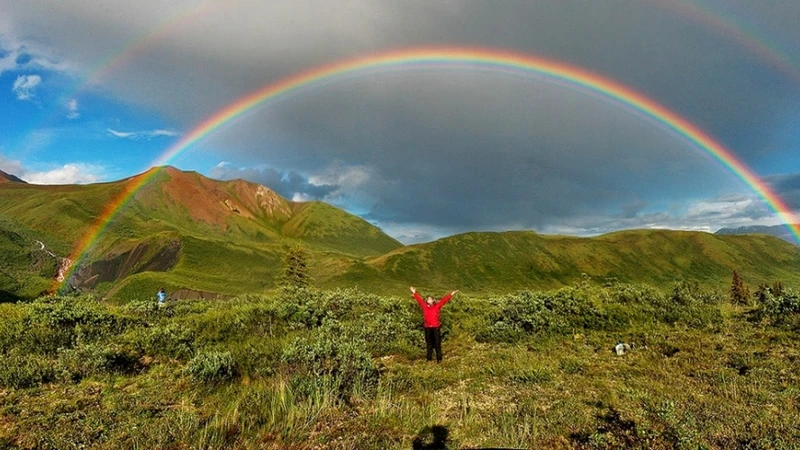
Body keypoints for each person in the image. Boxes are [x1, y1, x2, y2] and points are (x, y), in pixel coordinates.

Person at [410, 286, 458, 363]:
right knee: (429, 343)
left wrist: (451, 294)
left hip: (435, 327)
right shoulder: (425, 307)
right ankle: (429, 359)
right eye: (427, 299)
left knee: (437, 343)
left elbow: (444, 301)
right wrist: (414, 293)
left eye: (430, 299)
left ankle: (439, 359)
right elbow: (420, 300)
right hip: (427, 327)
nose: (428, 300)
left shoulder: (437, 306)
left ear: (433, 300)